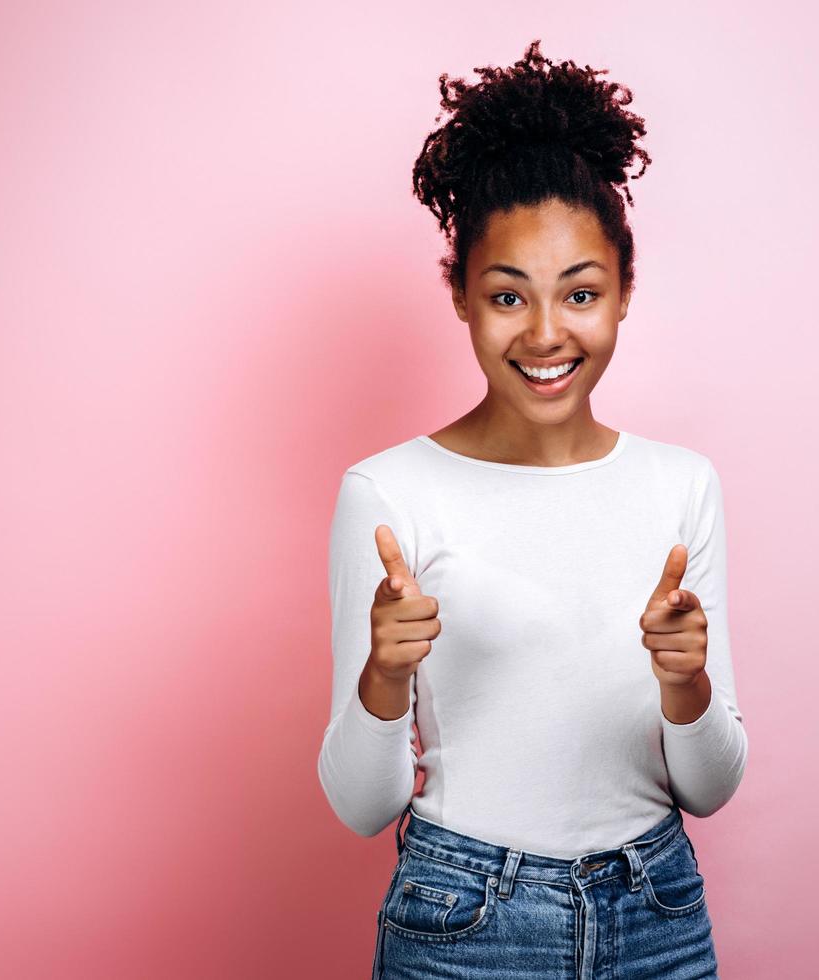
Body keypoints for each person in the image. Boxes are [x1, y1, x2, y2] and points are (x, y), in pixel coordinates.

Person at [317, 39, 747, 979]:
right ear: (462, 298)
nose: (547, 334)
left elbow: (710, 789)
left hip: (657, 913)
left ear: (624, 294)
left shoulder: (681, 487)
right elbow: (359, 807)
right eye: (508, 295)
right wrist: (385, 677)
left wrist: (688, 686)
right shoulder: (391, 493)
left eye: (580, 294)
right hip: (464, 925)